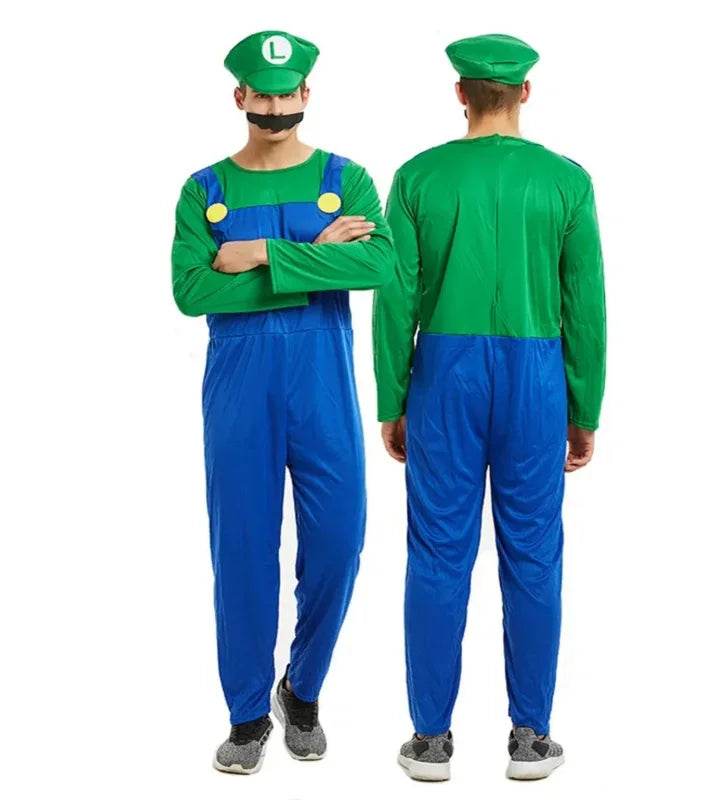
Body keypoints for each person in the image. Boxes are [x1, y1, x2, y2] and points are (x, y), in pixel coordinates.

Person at [372, 33, 606, 782]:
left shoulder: (417, 177)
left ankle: (430, 740)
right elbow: (586, 304)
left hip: (444, 375)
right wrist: (585, 408)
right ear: (525, 93)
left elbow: (394, 298)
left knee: (437, 552)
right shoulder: (566, 181)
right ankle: (531, 736)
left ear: (460, 94)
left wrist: (392, 397)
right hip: (537, 375)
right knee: (533, 551)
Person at [171, 29, 393, 774]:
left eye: (285, 95)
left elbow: (378, 264)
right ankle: (245, 715)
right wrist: (316, 258)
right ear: (240, 96)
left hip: (322, 386)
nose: (274, 110)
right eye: (261, 97)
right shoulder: (204, 190)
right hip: (239, 390)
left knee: (338, 543)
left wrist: (259, 254)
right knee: (241, 551)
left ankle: (302, 686)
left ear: (306, 94)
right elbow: (192, 290)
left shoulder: (346, 177)